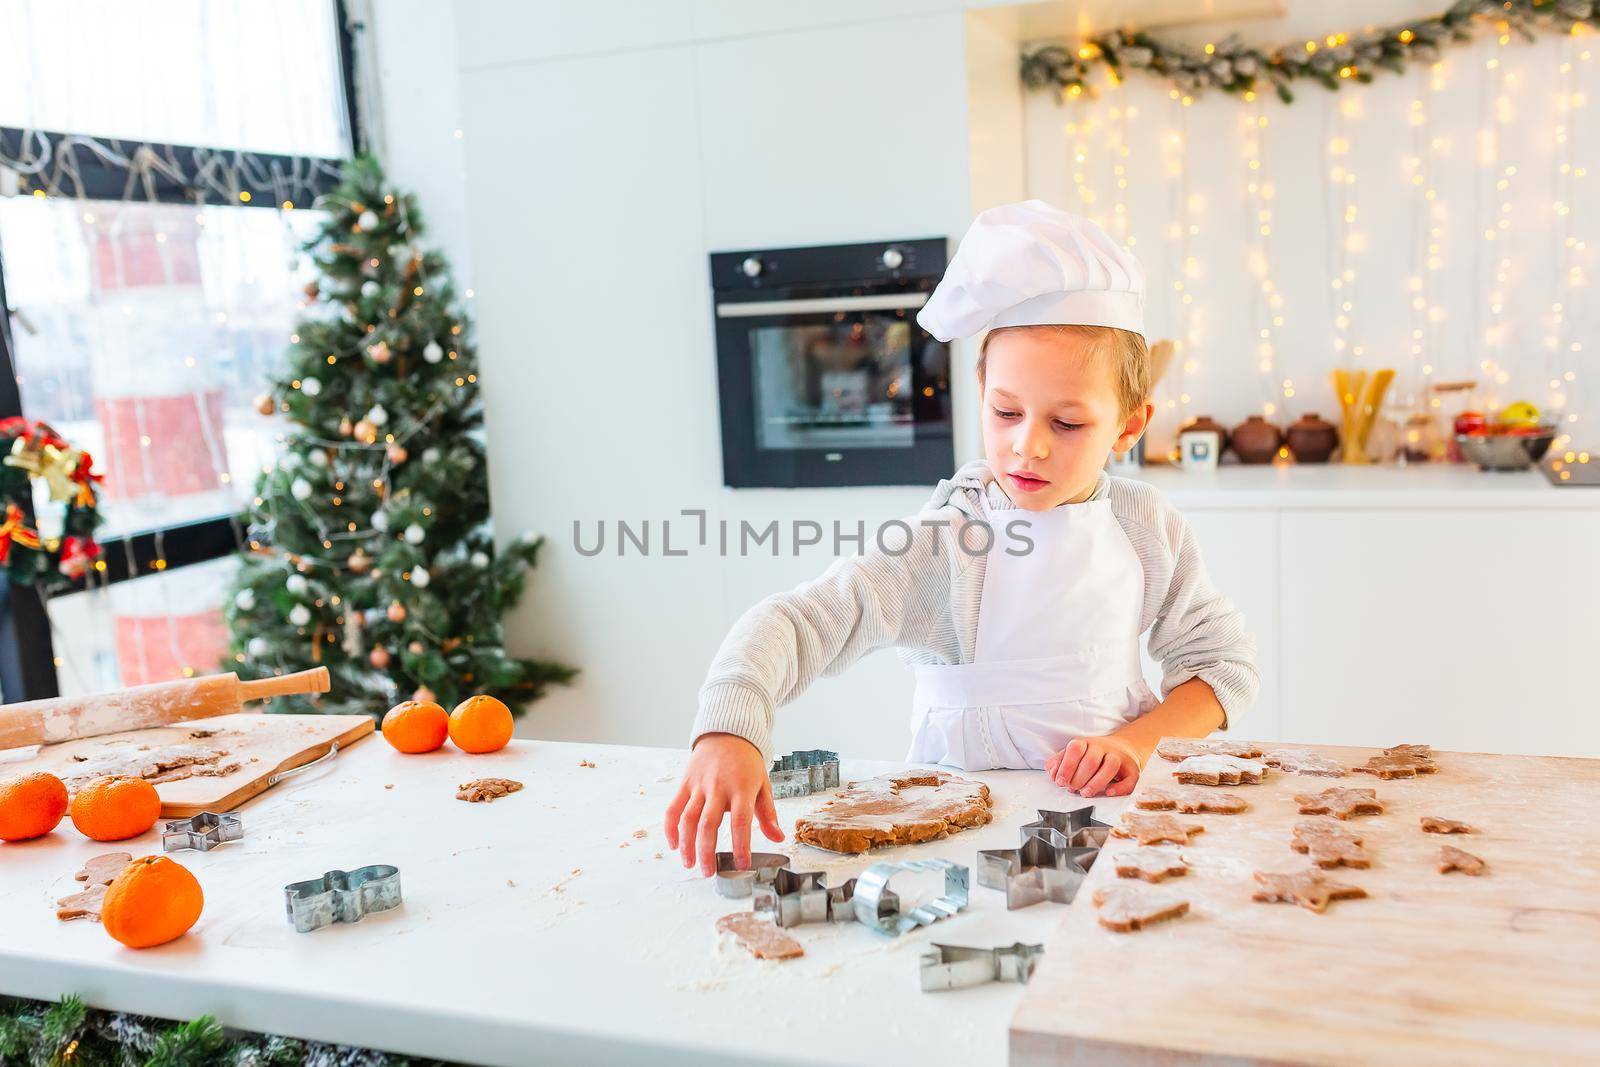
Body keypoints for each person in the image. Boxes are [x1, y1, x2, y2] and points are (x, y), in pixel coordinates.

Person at [666, 201, 1258, 876]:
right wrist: (727, 728)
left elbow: (1223, 666)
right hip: (953, 849)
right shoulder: (945, 545)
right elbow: (795, 622)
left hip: (1118, 834)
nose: (1027, 445)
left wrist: (1137, 742)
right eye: (1006, 412)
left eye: (1067, 424)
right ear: (980, 390)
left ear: (1128, 426)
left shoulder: (1145, 526)